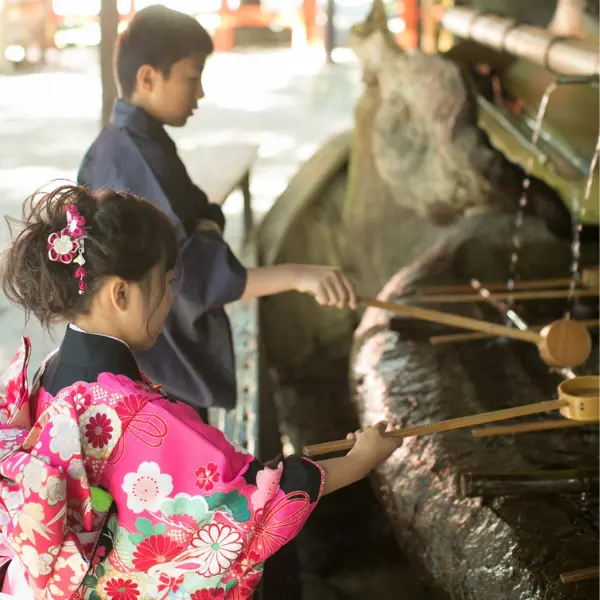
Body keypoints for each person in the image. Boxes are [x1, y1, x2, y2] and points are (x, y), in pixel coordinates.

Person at [0, 185, 401, 599]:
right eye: (168, 283)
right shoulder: (139, 416)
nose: (172, 300)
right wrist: (359, 461)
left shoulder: (51, 371)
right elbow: (250, 503)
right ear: (121, 294)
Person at [78, 5, 358, 421]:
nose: (201, 93)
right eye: (192, 78)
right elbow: (196, 273)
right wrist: (299, 276)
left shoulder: (128, 141)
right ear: (148, 78)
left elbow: (201, 215)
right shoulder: (137, 159)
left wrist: (204, 226)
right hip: (153, 357)